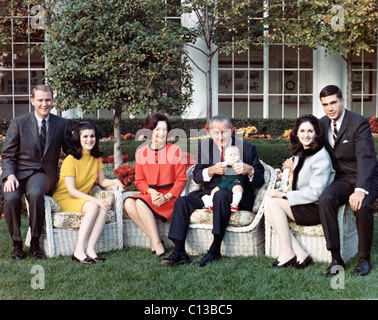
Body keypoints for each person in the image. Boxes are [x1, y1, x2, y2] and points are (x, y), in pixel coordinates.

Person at [161, 115, 265, 267]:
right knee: (182, 201)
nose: (221, 136)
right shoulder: (205, 147)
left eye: (225, 132)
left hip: (238, 195)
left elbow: (260, 178)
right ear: (210, 132)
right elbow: (196, 176)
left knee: (221, 196)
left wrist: (249, 170)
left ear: (232, 130)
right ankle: (179, 251)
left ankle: (214, 249)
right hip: (210, 193)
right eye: (216, 132)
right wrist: (210, 170)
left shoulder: (247, 149)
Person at [1, 85, 72, 260]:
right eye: (40, 100)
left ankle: (35, 243)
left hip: (43, 173)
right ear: (32, 101)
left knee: (35, 193)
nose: (44, 104)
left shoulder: (62, 124)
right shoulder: (18, 123)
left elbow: (72, 151)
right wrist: (9, 175)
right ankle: (17, 245)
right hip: (17, 173)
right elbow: (8, 154)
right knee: (10, 198)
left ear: (53, 101)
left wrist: (90, 156)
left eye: (48, 100)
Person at [318, 85, 378, 276]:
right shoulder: (322, 124)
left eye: (333, 103)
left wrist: (360, 189)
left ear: (342, 101)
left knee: (363, 206)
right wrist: (294, 162)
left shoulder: (358, 123)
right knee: (325, 198)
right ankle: (336, 258)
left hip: (365, 176)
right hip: (342, 179)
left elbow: (365, 158)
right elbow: (308, 147)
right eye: (325, 105)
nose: (330, 108)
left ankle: (364, 260)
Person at [265, 115, 335, 269]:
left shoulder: (320, 156)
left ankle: (287, 253)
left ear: (316, 133)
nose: (306, 135)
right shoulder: (300, 153)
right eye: (302, 131)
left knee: (274, 204)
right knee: (269, 208)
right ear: (296, 133)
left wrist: (284, 195)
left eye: (310, 131)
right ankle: (300, 254)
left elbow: (316, 192)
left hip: (315, 207)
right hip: (303, 203)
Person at [52, 122, 123, 264]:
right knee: (94, 206)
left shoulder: (95, 158)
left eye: (92, 136)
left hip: (80, 198)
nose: (89, 139)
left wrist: (115, 181)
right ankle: (78, 251)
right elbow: (71, 190)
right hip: (65, 197)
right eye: (85, 136)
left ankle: (90, 249)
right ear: (78, 138)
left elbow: (102, 182)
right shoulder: (70, 160)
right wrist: (95, 201)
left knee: (104, 206)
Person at [124, 113, 187, 257]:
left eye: (164, 129)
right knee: (128, 202)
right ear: (150, 131)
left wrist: (166, 196)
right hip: (151, 195)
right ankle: (156, 239)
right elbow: (139, 181)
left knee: (140, 203)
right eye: (157, 129)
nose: (162, 133)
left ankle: (157, 244)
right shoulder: (141, 152)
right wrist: (151, 192)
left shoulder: (175, 150)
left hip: (170, 197)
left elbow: (181, 180)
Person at [202, 145, 247, 212]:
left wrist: (234, 164)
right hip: (224, 183)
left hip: (235, 182)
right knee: (214, 190)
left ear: (239, 156)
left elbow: (243, 172)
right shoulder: (225, 163)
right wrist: (225, 163)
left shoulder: (240, 164)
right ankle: (210, 203)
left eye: (236, 154)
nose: (233, 156)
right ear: (225, 157)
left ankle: (235, 204)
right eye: (230, 155)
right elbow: (220, 167)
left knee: (238, 189)